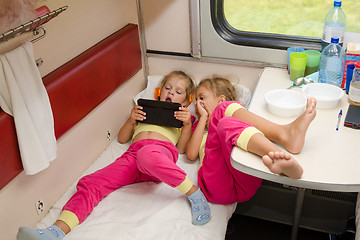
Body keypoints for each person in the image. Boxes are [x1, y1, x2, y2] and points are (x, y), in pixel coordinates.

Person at [17, 71, 211, 240]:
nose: (171, 92)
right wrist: (131, 119)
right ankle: (55, 232)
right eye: (167, 88)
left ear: (187, 101)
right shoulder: (144, 111)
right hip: (132, 156)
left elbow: (183, 150)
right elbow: (122, 138)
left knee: (147, 155)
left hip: (159, 156)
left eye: (178, 92)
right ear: (159, 92)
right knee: (91, 182)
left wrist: (186, 125)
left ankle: (194, 192)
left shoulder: (185, 118)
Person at [186, 76, 316, 205]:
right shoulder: (198, 127)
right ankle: (285, 135)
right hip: (216, 186)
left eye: (202, 98)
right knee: (221, 116)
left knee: (225, 122)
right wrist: (203, 119)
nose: (198, 104)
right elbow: (191, 155)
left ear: (221, 100)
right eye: (196, 100)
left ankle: (281, 161)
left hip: (244, 183)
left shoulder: (231, 126)